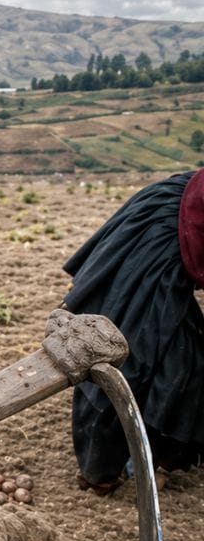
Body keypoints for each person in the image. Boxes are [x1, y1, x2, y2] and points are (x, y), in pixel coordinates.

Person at [63, 170, 204, 495]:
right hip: (163, 231)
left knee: (184, 357)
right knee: (129, 361)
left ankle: (158, 456)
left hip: (173, 222)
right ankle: (100, 471)